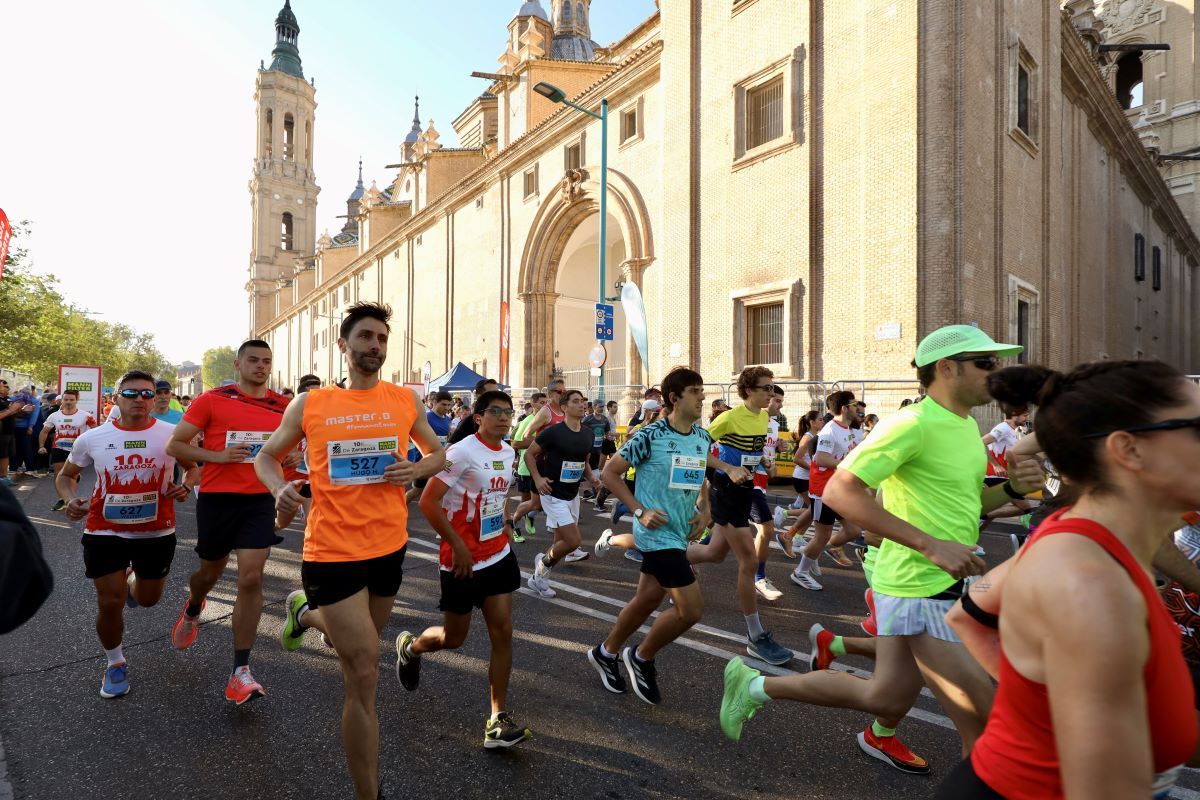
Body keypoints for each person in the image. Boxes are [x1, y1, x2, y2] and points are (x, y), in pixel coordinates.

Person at [720, 325, 1043, 774]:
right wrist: (931, 546)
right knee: (987, 720)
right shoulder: (912, 424)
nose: (998, 372)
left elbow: (968, 505)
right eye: (986, 363)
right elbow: (840, 492)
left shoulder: (967, 426)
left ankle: (753, 687)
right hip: (918, 586)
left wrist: (1009, 488)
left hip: (934, 581)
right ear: (946, 368)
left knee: (885, 696)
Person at [936, 360, 1200, 798]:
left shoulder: (1082, 537)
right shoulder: (1093, 591)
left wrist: (1041, 705)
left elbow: (968, 613)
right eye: (1196, 427)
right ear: (1129, 451)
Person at [259, 302, 445, 800]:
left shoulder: (404, 400)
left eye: (382, 339)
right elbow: (265, 456)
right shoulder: (311, 404)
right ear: (344, 346)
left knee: (359, 647)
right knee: (364, 670)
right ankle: (369, 793)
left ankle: (305, 615)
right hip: (331, 551)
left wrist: (417, 470)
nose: (375, 347)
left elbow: (438, 453)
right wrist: (278, 487)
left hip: (388, 548)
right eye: (365, 337)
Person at [588, 367, 746, 704]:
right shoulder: (650, 435)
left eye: (702, 390)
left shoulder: (701, 437)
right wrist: (639, 510)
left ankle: (606, 651)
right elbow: (610, 472)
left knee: (646, 599)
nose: (703, 396)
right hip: (655, 533)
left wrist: (704, 509)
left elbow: (700, 468)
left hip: (679, 531)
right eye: (695, 391)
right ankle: (642, 657)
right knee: (690, 610)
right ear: (675, 398)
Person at [395, 390, 531, 748]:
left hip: (498, 555)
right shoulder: (461, 452)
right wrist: (457, 545)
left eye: (508, 412)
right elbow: (428, 501)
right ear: (478, 417)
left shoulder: (508, 451)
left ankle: (497, 719)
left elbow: (496, 496)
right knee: (454, 638)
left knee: (502, 632)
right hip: (461, 560)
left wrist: (503, 525)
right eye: (495, 412)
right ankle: (411, 647)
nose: (503, 418)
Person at [165, 339, 294, 704]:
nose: (260, 366)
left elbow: (293, 449)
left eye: (266, 361)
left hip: (259, 498)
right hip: (219, 499)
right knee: (210, 571)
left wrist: (291, 457)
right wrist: (217, 456)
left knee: (251, 575)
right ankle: (194, 605)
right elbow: (176, 446)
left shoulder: (284, 406)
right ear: (237, 364)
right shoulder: (212, 400)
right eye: (253, 360)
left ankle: (241, 671)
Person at [55, 371, 199, 698]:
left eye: (147, 394)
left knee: (148, 600)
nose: (140, 400)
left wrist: (185, 487)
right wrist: (69, 499)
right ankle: (115, 662)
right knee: (110, 602)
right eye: (132, 393)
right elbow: (67, 476)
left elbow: (192, 468)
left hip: (156, 532)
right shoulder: (91, 438)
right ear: (116, 397)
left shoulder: (171, 434)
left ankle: (134, 580)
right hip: (104, 531)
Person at [688, 366, 793, 666]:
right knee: (748, 561)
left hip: (745, 490)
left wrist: (764, 462)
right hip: (725, 492)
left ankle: (671, 558)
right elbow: (696, 447)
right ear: (748, 391)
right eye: (766, 388)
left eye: (773, 388)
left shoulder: (763, 417)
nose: (771, 393)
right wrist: (727, 468)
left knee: (713, 553)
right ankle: (755, 636)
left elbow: (752, 450)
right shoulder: (729, 418)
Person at [525, 389, 602, 598]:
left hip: (572, 494)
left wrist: (592, 479)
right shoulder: (553, 432)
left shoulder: (588, 433)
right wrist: (538, 479)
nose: (581, 405)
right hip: (552, 493)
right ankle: (541, 563)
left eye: (583, 401)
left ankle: (538, 579)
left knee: (560, 543)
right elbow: (530, 455)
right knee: (573, 541)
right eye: (576, 401)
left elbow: (583, 461)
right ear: (564, 407)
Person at [791, 390, 863, 589]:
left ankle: (816, 550)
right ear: (844, 408)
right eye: (855, 404)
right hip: (824, 491)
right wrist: (848, 466)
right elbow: (821, 459)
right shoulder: (830, 430)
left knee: (854, 530)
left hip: (839, 490)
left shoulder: (847, 429)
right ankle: (800, 572)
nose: (858, 408)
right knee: (821, 535)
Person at [750, 385, 786, 601]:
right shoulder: (753, 419)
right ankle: (759, 577)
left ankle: (683, 561)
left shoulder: (773, 424)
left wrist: (777, 449)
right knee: (766, 528)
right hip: (748, 479)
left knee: (718, 543)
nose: (780, 404)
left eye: (781, 400)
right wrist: (763, 461)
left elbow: (766, 449)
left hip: (762, 481)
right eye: (777, 400)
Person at [37, 389, 97, 510]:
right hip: (58, 447)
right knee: (58, 473)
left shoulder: (85, 415)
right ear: (61, 400)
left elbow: (96, 431)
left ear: (77, 400)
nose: (68, 402)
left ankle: (71, 499)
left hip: (77, 449)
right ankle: (63, 499)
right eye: (66, 399)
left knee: (71, 475)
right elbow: (44, 432)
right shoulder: (54, 415)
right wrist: (41, 446)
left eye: (71, 400)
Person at [774, 410, 822, 558]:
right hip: (802, 479)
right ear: (812, 423)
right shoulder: (808, 438)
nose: (823, 422)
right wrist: (814, 469)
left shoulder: (815, 436)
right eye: (820, 419)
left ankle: (797, 537)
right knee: (814, 510)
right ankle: (784, 514)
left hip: (808, 479)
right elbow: (797, 459)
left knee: (813, 510)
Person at [507, 391, 547, 542]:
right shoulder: (527, 421)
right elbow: (515, 443)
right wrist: (540, 443)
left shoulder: (546, 421)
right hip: (526, 468)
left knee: (539, 504)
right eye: (542, 403)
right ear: (533, 405)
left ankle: (529, 516)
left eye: (546, 403)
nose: (545, 406)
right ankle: (515, 528)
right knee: (526, 502)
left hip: (542, 468)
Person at [406, 390, 453, 502]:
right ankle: (398, 513)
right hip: (425, 461)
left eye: (448, 405)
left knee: (440, 493)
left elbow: (447, 438)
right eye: (443, 404)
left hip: (440, 461)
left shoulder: (447, 419)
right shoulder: (426, 417)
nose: (446, 408)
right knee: (416, 491)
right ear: (435, 402)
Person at [447, 378, 501, 444]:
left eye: (498, 393)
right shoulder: (468, 422)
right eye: (491, 394)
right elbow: (449, 447)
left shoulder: (501, 419)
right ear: (478, 396)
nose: (497, 397)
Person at [0, 380, 32, 487]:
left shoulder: (6, 399)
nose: (7, 388)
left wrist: (22, 410)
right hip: (2, 433)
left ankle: (4, 477)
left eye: (7, 386)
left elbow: (11, 413)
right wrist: (11, 409)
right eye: (4, 386)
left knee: (6, 455)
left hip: (9, 432)